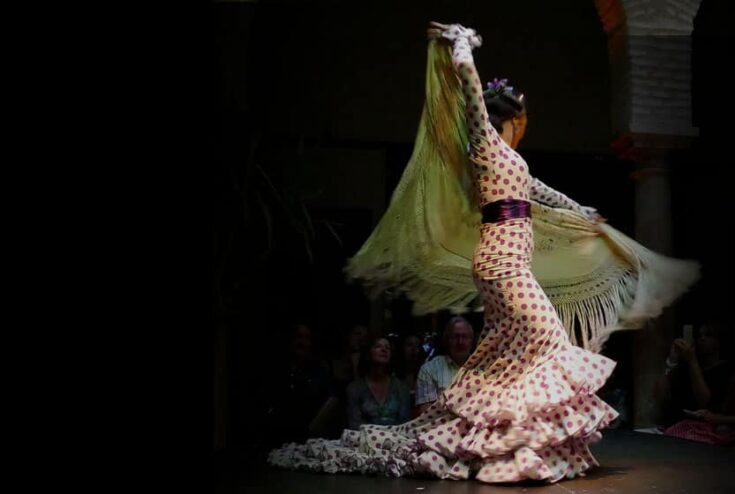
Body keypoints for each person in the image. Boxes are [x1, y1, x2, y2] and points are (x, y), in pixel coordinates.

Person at [269, 22, 698, 483]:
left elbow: (538, 190)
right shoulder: (487, 147)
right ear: (511, 116)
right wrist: (462, 45)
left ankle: (501, 449)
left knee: (504, 359)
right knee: (548, 338)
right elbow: (472, 99)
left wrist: (582, 210)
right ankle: (513, 449)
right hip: (502, 263)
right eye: (524, 113)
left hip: (504, 262)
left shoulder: (510, 162)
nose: (527, 118)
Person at [345, 337, 412, 428]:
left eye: (387, 347)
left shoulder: (401, 387)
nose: (384, 349)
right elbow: (354, 424)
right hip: (364, 439)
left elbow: (405, 423)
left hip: (396, 439)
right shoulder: (355, 388)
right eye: (378, 346)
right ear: (368, 353)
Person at [414, 317, 475, 416]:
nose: (460, 342)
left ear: (471, 341)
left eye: (464, 337)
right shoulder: (429, 370)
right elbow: (426, 414)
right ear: (447, 341)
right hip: (440, 429)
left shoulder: (484, 368)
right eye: (455, 337)